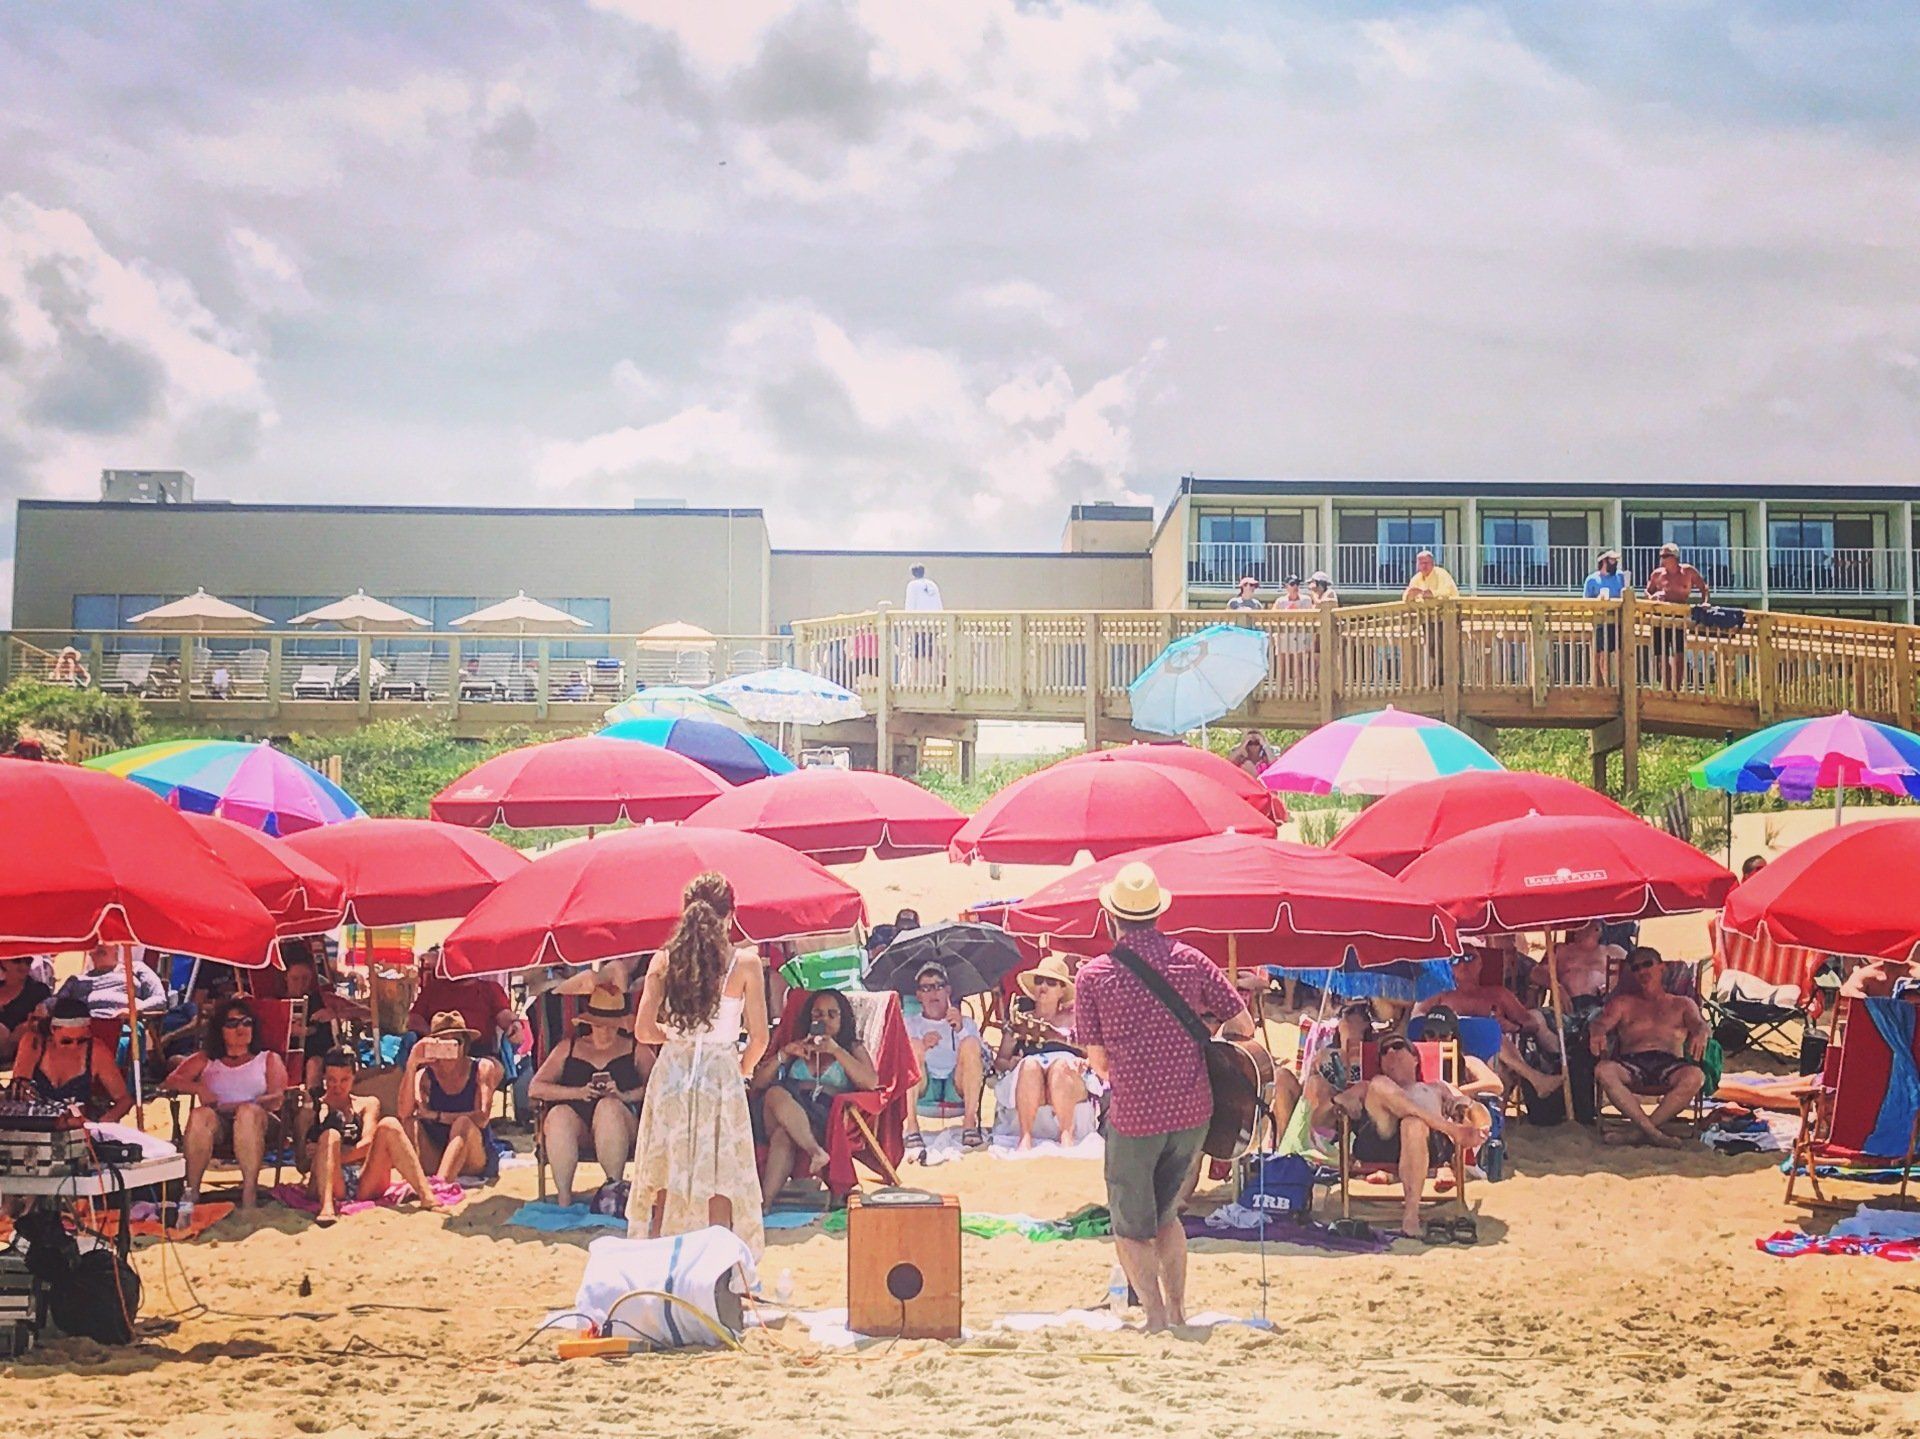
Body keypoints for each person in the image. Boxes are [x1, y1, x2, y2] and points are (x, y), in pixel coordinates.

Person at [1075, 862, 1255, 1332]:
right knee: (1167, 1217)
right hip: (1193, 1109)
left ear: (1111, 917)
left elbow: (1099, 1062)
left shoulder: (1094, 976)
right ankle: (1178, 1311)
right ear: (1157, 913)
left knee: (1130, 1225)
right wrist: (1200, 1032)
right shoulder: (1193, 960)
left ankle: (1154, 1316)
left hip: (1136, 1114)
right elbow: (1244, 1026)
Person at [628, 872, 771, 1257]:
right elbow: (760, 1037)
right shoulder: (744, 963)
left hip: (673, 1071)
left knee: (664, 1173)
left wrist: (677, 1036)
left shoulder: (663, 960)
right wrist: (741, 1067)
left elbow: (643, 1030)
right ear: (731, 914)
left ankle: (655, 1265)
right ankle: (721, 1271)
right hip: (719, 1074)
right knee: (721, 1176)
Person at [1334, 1035, 1486, 1239]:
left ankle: (1411, 1216)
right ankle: (1451, 1130)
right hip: (1380, 1140)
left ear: (1415, 1058)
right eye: (1383, 1052)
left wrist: (1472, 1117)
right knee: (1379, 1084)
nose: (1389, 1053)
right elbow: (1342, 1100)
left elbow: (1469, 1107)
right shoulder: (1367, 1085)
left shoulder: (1437, 1087)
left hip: (1428, 1145)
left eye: (1397, 1046)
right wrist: (1346, 1102)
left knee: (1412, 1123)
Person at [527, 981, 653, 1206]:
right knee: (558, 1116)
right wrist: (578, 1092)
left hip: (624, 1123)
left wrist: (624, 1095)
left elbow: (657, 1087)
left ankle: (613, 1190)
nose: (605, 1030)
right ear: (590, 1023)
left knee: (608, 1108)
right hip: (579, 1125)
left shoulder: (636, 1048)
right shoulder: (569, 1047)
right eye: (600, 1024)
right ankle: (564, 1198)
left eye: (611, 1025)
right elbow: (536, 1087)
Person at [166, 994, 289, 1216]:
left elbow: (278, 1097)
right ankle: (192, 1191)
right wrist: (200, 1089)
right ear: (220, 1030)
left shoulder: (267, 1058)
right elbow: (172, 1081)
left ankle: (249, 1192)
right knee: (200, 1115)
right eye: (232, 1023)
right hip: (220, 1125)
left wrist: (244, 1104)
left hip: (260, 1122)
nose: (240, 1028)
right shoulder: (207, 1060)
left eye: (246, 1022)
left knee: (247, 1113)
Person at [753, 989, 876, 1201]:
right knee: (774, 1093)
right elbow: (758, 1082)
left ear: (842, 1018)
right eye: (818, 1014)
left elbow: (871, 1082)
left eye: (832, 1014)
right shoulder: (798, 1045)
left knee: (783, 1136)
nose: (824, 1020)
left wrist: (836, 1051)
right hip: (781, 1110)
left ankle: (766, 1203)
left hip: (822, 1121)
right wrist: (785, 1054)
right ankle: (815, 1153)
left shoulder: (850, 1047)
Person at [300, 1047, 441, 1225]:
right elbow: (302, 1163)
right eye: (331, 1080)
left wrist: (330, 1155)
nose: (337, 1086)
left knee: (389, 1125)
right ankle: (327, 1207)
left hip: (364, 1178)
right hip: (329, 1182)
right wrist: (313, 1150)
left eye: (344, 1080)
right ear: (324, 1079)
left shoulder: (367, 1104)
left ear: (354, 1077)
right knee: (330, 1135)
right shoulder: (314, 1108)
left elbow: (368, 1144)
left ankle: (426, 1196)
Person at [1590, 947, 1710, 1149]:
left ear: (1661, 968)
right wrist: (1597, 1032)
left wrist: (1701, 1032)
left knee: (1695, 1076)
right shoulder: (1623, 1003)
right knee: (1603, 1070)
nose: (1642, 971)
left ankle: (1637, 1133)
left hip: (1670, 1063)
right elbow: (1601, 1022)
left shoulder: (1682, 1004)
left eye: (1648, 964)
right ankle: (1653, 1133)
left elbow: (1699, 1023)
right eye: (1636, 968)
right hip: (1632, 1063)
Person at [988, 954, 1096, 1150]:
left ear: (1062, 990)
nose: (1043, 987)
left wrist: (1084, 1062)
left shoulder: (1074, 1021)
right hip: (1030, 1080)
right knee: (1029, 1065)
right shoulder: (1021, 1020)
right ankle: (1025, 1136)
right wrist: (1010, 1063)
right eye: (1039, 981)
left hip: (1068, 1078)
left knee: (1060, 1067)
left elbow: (1094, 1054)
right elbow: (1001, 1061)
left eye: (1051, 982)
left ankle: (1066, 1135)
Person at [399, 1010, 504, 1182]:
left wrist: (438, 1116)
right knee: (410, 1124)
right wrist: (412, 1064)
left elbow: (482, 1118)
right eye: (442, 1043)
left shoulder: (481, 1068)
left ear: (465, 1045)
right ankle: (426, 1180)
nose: (449, 1048)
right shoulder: (425, 1075)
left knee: (463, 1123)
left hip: (473, 1154)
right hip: (437, 1151)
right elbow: (404, 1113)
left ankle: (441, 1184)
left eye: (456, 1042)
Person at [902, 963, 987, 1155]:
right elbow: (899, 1061)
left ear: (948, 991)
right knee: (912, 1046)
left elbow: (984, 1057)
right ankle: (912, 1125)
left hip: (956, 1084)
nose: (933, 992)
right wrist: (922, 1046)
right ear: (919, 995)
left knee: (971, 1043)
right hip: (924, 1085)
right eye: (926, 988)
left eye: (939, 986)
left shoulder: (965, 1022)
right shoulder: (910, 1023)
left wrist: (961, 1030)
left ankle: (969, 1123)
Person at [12, 999, 131, 1123]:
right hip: (36, 1123)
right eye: (66, 1041)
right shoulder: (35, 1044)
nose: (74, 1046)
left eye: (81, 1040)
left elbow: (124, 1099)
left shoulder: (96, 1051)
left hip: (79, 1125)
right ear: (53, 1030)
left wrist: (101, 1124)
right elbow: (20, 1088)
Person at [281, 948, 369, 1089]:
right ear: (286, 977)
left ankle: (312, 1105)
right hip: (284, 1058)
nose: (301, 983)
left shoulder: (323, 998)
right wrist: (286, 1030)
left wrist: (335, 1014)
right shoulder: (277, 1003)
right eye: (295, 978)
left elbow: (366, 1013)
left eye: (305, 978)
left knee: (314, 1064)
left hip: (318, 1057)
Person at [1644, 543, 1709, 690]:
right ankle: (1666, 687)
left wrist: (1704, 603)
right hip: (1660, 617)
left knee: (1679, 653)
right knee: (1661, 654)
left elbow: (1703, 587)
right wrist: (1652, 597)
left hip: (1679, 616)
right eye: (1661, 556)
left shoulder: (1688, 571)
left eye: (1666, 556)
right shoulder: (1657, 574)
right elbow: (1647, 591)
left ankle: (1677, 687)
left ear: (1675, 557)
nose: (1662, 559)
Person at [54, 944, 167, 1022]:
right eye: (95, 942)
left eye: (106, 940)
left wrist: (134, 1010)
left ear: (117, 948)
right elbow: (55, 1003)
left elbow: (160, 999)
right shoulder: (77, 980)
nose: (100, 944)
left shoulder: (135, 968)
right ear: (90, 953)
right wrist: (43, 1005)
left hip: (124, 1025)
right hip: (83, 1028)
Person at [0, 953, 53, 1066]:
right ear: (4, 961)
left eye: (28, 961)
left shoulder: (38, 990)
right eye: (17, 960)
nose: (23, 966)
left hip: (24, 1050)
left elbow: (44, 1019)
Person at [1583, 551, 1627, 681]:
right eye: (1612, 560)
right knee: (1602, 653)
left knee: (1620, 652)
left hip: (1618, 619)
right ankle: (1603, 683)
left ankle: (1620, 683)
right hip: (1600, 621)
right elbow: (1585, 602)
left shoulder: (1620, 576)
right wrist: (1597, 600)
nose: (1615, 563)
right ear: (1604, 561)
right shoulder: (1592, 580)